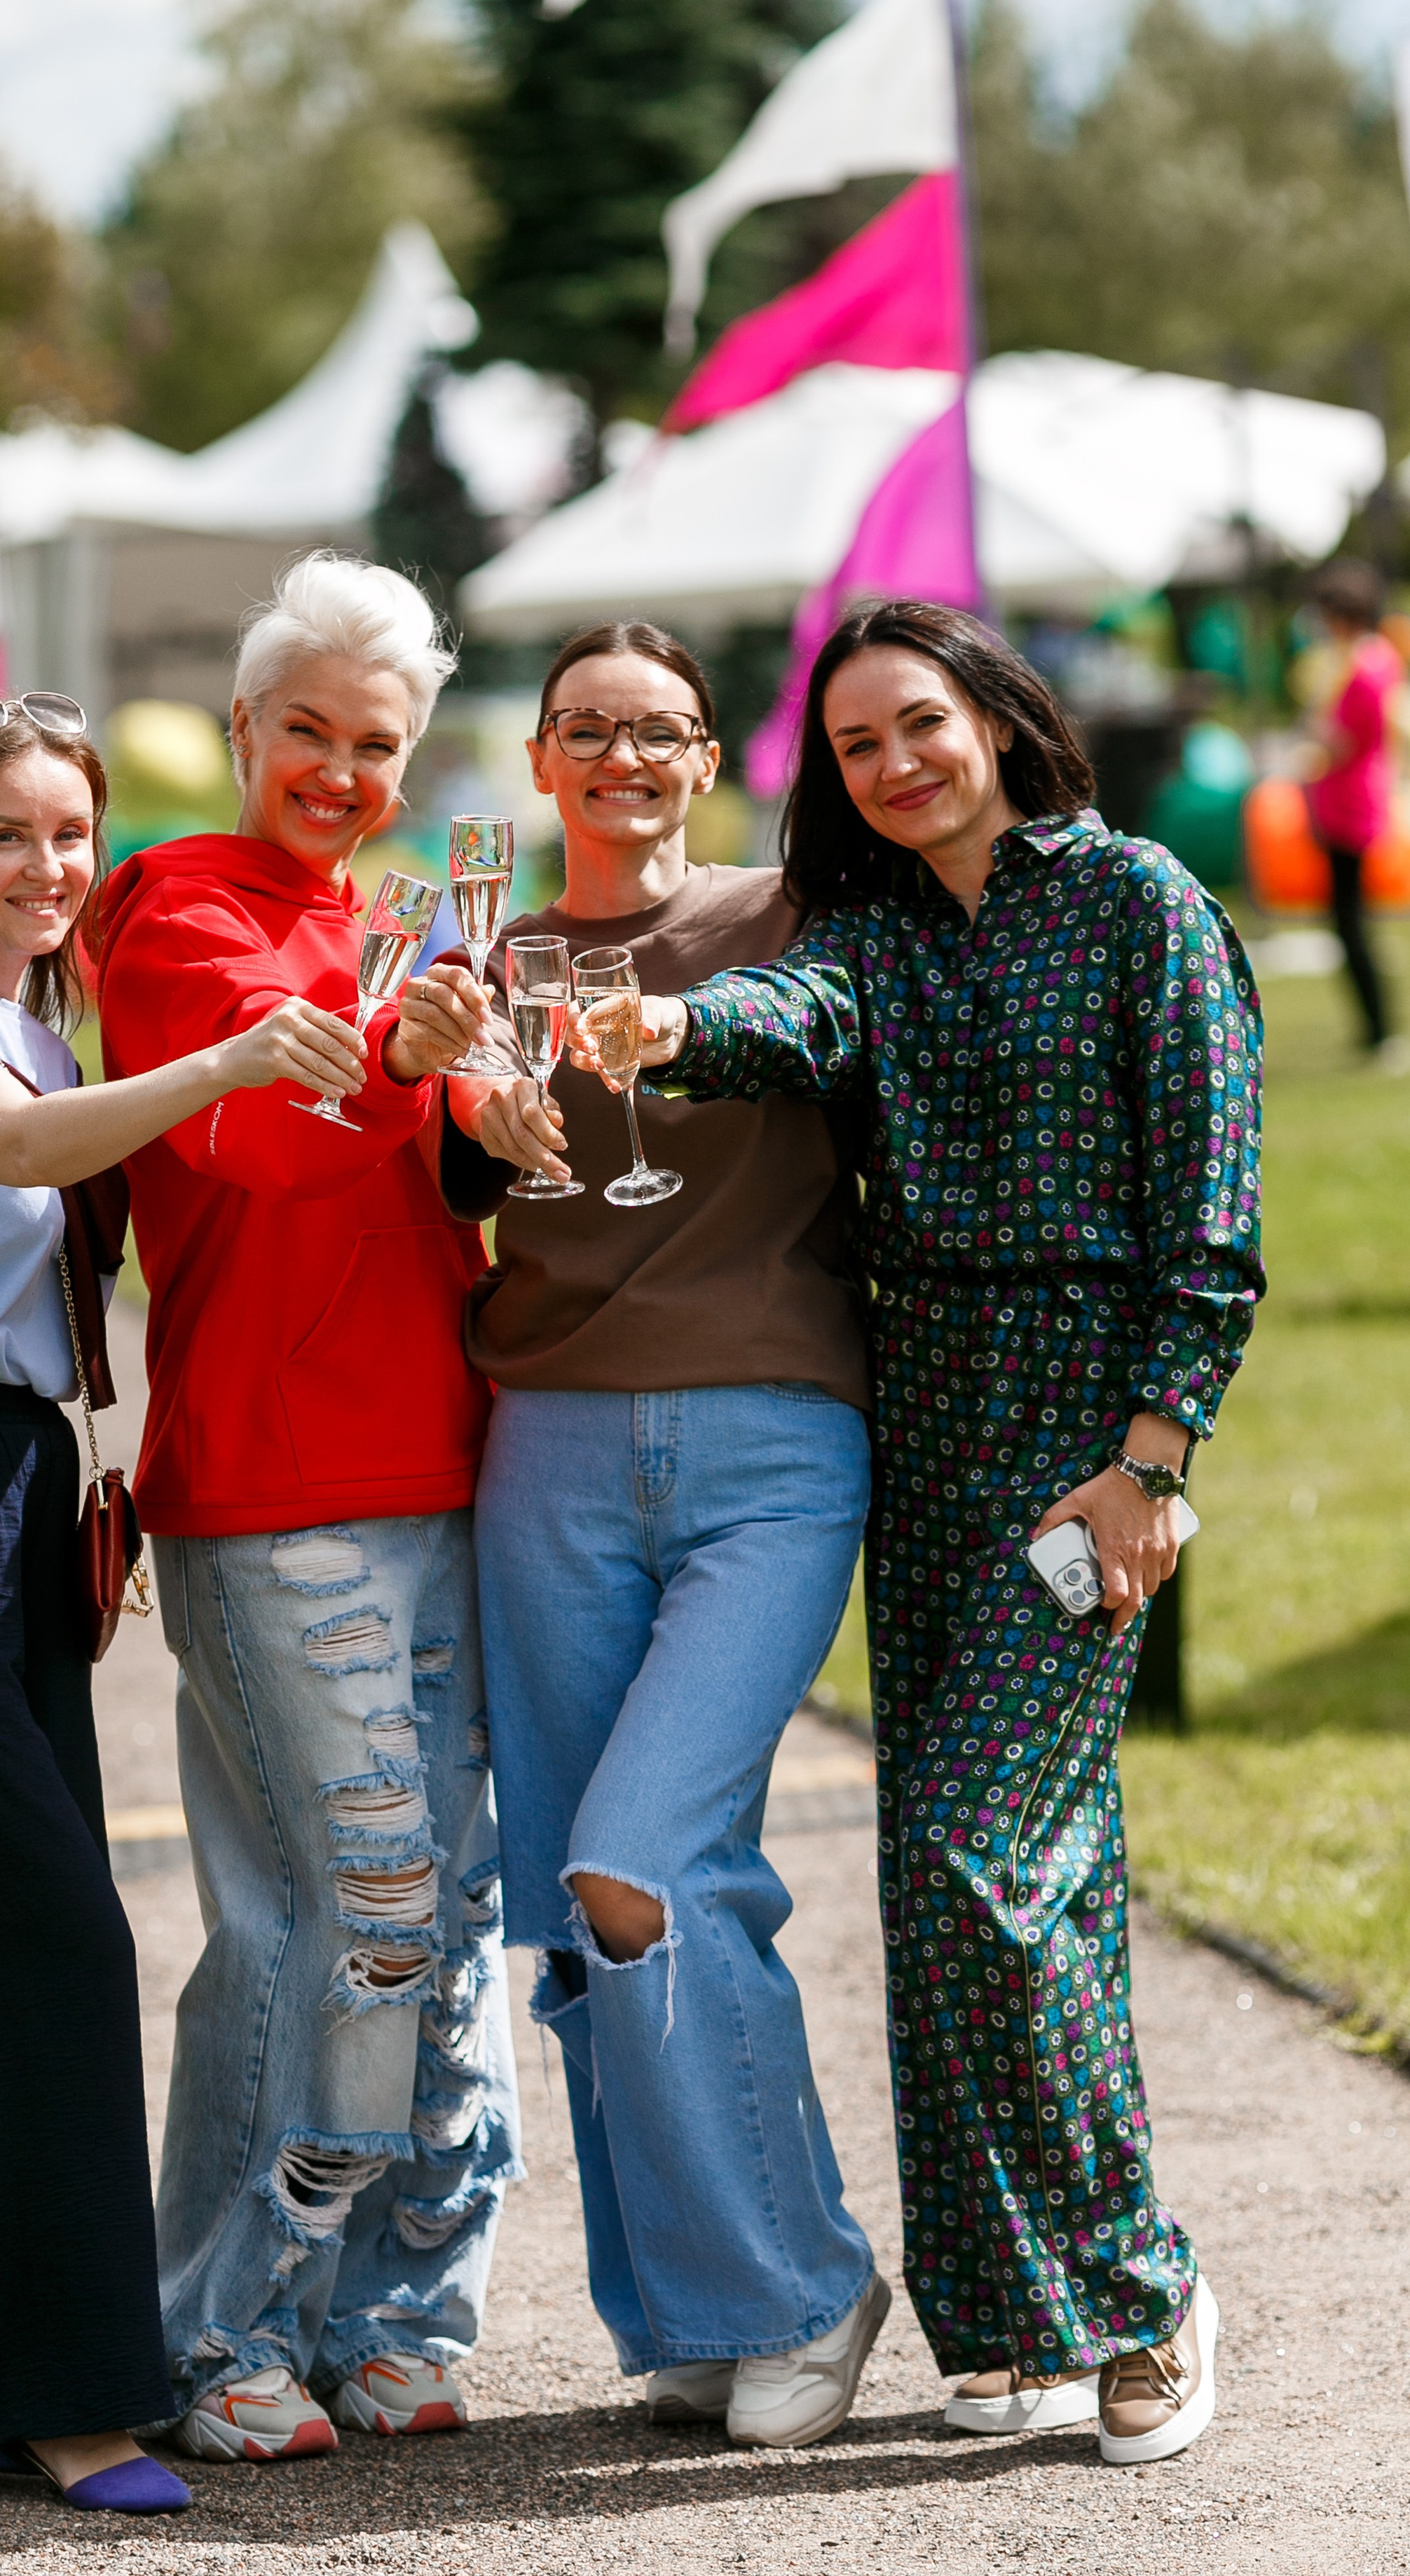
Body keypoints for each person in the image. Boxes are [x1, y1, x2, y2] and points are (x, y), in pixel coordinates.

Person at [629, 601, 1264, 2469]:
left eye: (918, 724)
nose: (893, 764)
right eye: (853, 748)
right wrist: (670, 1020)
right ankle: (1007, 2316)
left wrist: (1154, 1459)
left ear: (996, 718)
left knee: (997, 1861)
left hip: (1088, 1454)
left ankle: (1146, 2294)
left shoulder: (1141, 901)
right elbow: (782, 1020)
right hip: (925, 1447)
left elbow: (1212, 1200)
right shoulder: (878, 943)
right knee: (963, 1882)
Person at [0, 689, 377, 2512]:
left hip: (10, 1492)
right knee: (41, 1945)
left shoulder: (29, 1019)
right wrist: (228, 1062)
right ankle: (67, 2402)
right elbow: (33, 1155)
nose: (51, 868)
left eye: (72, 836)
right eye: (13, 834)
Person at [432, 622, 887, 2447]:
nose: (625, 755)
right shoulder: (485, 958)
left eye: (662, 731)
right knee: (578, 1909)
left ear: (709, 758)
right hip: (544, 1444)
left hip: (774, 1443)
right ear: (542, 758)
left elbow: (857, 1070)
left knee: (648, 1856)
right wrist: (460, 1099)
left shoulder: (793, 922)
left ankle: (805, 2285)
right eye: (590, 728)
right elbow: (455, 1175)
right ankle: (692, 2312)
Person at [91, 553, 521, 2465]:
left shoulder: (404, 925)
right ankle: (222, 2323)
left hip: (449, 1473)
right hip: (277, 1495)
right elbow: (250, 1134)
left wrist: (488, 1099)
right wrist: (391, 1055)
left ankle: (399, 2313)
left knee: (433, 1914)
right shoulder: (179, 903)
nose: (344, 773)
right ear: (249, 727)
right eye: (312, 734)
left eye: (381, 743)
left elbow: (451, 1210)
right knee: (348, 1917)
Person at [1301, 561, 1404, 1064]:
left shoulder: (1364, 666)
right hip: (1345, 802)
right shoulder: (1367, 659)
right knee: (1348, 921)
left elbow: (1340, 739)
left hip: (1351, 806)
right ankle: (1376, 1028)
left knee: (1350, 922)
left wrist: (1313, 737)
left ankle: (1381, 1029)